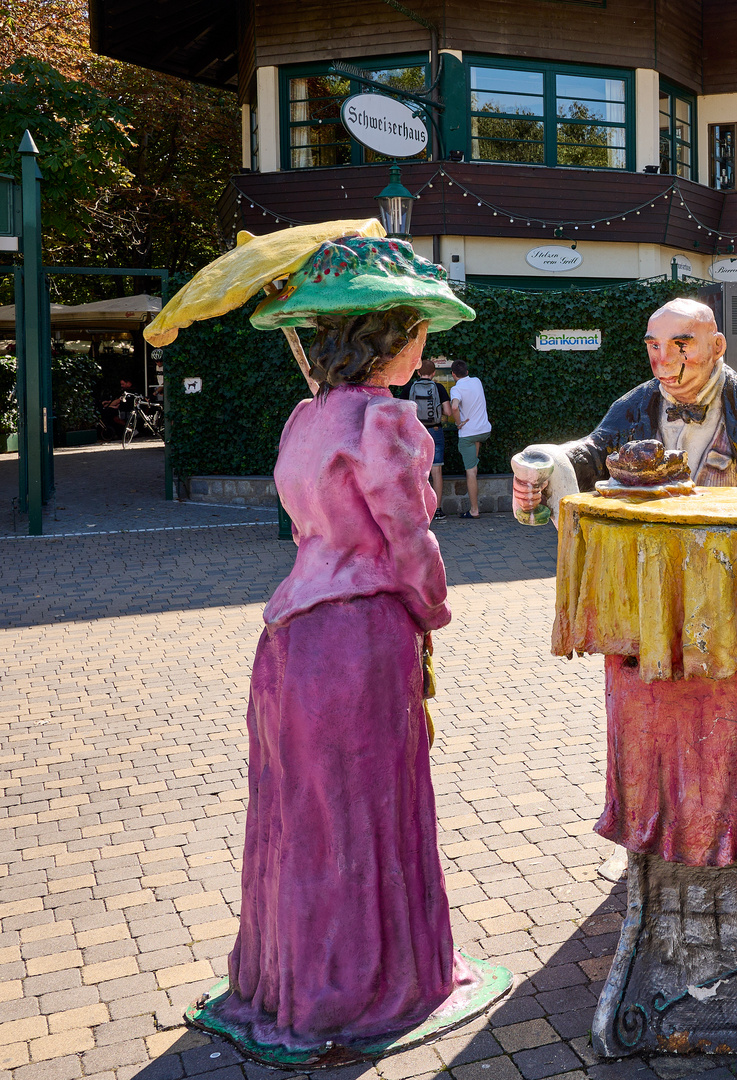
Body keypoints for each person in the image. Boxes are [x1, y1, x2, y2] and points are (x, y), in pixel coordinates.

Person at [201, 235, 502, 1060]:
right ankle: (370, 985)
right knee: (368, 814)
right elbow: (407, 542)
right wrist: (432, 611)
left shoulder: (306, 418)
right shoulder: (387, 421)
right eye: (414, 333)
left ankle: (292, 981)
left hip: (290, 637)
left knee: (304, 816)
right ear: (386, 337)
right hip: (361, 637)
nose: (423, 348)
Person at [513, 298, 737, 520]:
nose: (664, 360)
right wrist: (547, 465)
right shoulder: (636, 405)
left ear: (717, 347)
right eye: (654, 346)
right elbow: (595, 452)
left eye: (680, 345)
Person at [445, 359, 490, 519]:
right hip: (483, 430)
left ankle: (474, 510)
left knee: (470, 472)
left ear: (453, 374)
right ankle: (474, 465)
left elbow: (454, 406)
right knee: (474, 465)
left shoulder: (456, 389)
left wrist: (458, 423)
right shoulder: (476, 381)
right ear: (467, 372)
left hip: (468, 433)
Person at [407, 357, 451, 517]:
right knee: (436, 470)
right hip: (435, 431)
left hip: (416, 432)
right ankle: (437, 510)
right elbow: (448, 411)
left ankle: (419, 511)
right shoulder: (438, 388)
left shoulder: (410, 387)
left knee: (417, 471)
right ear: (433, 373)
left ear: (418, 372)